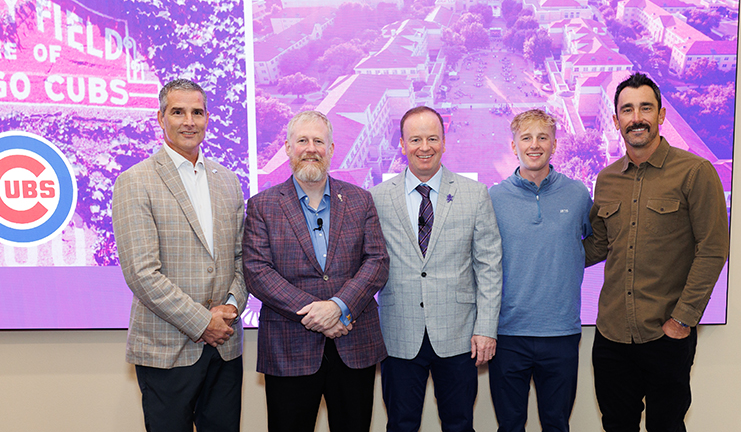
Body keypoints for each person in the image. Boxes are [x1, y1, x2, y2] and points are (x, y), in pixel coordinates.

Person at [584, 72, 729, 432]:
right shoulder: (606, 179)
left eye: (645, 108)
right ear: (616, 120)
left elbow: (713, 249)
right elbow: (598, 245)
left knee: (666, 426)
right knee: (616, 426)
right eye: (627, 110)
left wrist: (682, 320)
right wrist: (539, 247)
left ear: (661, 115)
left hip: (666, 335)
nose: (637, 118)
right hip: (611, 337)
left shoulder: (695, 172)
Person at [112, 78, 248, 432]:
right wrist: (203, 322)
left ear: (207, 119)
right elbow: (142, 273)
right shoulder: (135, 181)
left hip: (225, 347)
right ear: (161, 118)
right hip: (166, 349)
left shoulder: (228, 180)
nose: (189, 121)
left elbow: (241, 259)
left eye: (197, 112)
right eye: (178, 112)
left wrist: (231, 307)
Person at [243, 110, 389, 432]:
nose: (311, 148)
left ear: (331, 149)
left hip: (353, 343)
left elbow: (377, 261)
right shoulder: (262, 206)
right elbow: (257, 272)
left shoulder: (360, 200)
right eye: (302, 141)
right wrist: (317, 313)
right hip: (288, 349)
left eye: (319, 141)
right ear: (288, 147)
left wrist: (337, 307)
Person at [369, 106, 503, 432]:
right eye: (415, 139)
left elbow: (489, 266)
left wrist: (486, 328)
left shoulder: (474, 194)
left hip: (459, 335)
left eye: (432, 138)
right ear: (402, 144)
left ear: (444, 142)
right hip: (398, 334)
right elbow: (368, 264)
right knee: (400, 425)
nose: (424, 147)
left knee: (459, 424)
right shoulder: (377, 197)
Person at [487, 109, 593, 432]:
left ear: (554, 144)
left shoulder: (578, 194)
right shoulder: (493, 198)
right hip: (508, 334)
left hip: (561, 333)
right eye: (526, 138)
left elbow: (592, 243)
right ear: (514, 145)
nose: (534, 145)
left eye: (542, 137)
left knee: (557, 424)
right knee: (510, 425)